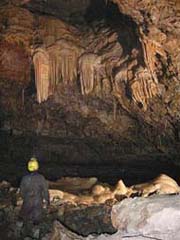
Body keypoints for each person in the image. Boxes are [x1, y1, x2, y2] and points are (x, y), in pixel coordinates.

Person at [20, 157, 50, 224]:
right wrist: (47, 201)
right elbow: (45, 191)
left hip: (27, 200)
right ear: (37, 167)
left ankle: (21, 231)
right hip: (37, 201)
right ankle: (35, 232)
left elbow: (22, 192)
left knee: (23, 218)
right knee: (37, 220)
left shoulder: (25, 178)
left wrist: (24, 198)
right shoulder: (41, 178)